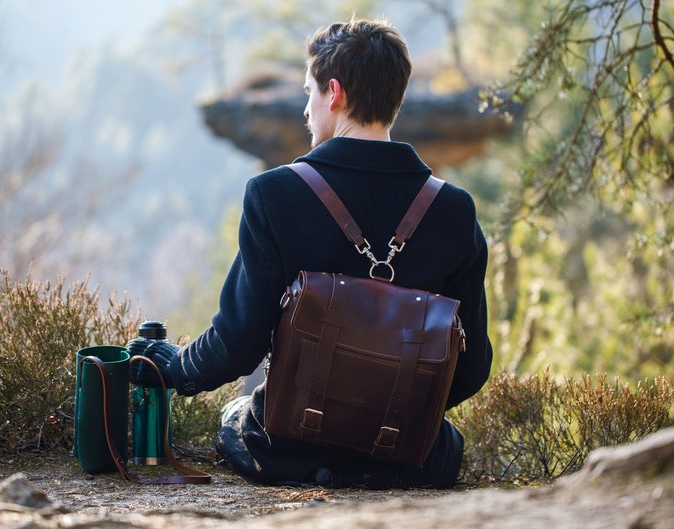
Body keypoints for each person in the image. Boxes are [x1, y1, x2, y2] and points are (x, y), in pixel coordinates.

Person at [132, 17, 493, 489]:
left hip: (288, 451)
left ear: (335, 93)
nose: (307, 109)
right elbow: (472, 366)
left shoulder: (274, 194)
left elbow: (237, 344)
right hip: (409, 459)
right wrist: (385, 409)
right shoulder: (454, 209)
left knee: (238, 415)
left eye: (310, 92)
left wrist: (173, 366)